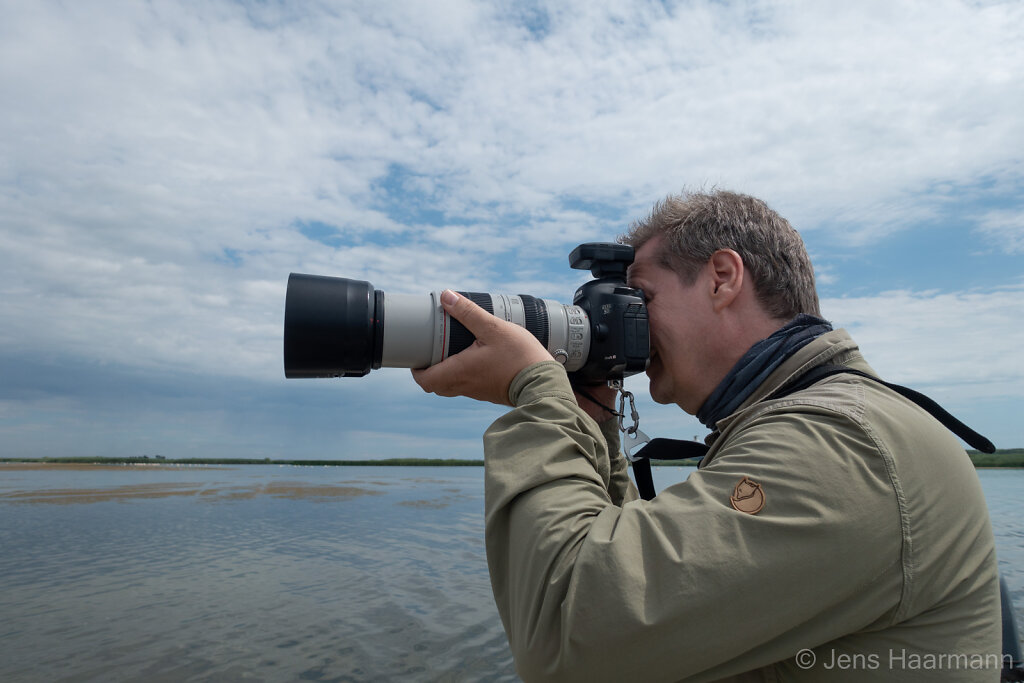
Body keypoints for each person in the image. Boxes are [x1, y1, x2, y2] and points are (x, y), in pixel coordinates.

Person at [412, 190, 1002, 682]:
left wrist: (537, 397)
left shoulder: (842, 448)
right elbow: (639, 579)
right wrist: (587, 418)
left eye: (639, 300)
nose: (630, 331)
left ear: (721, 278)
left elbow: (571, 632)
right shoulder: (808, 422)